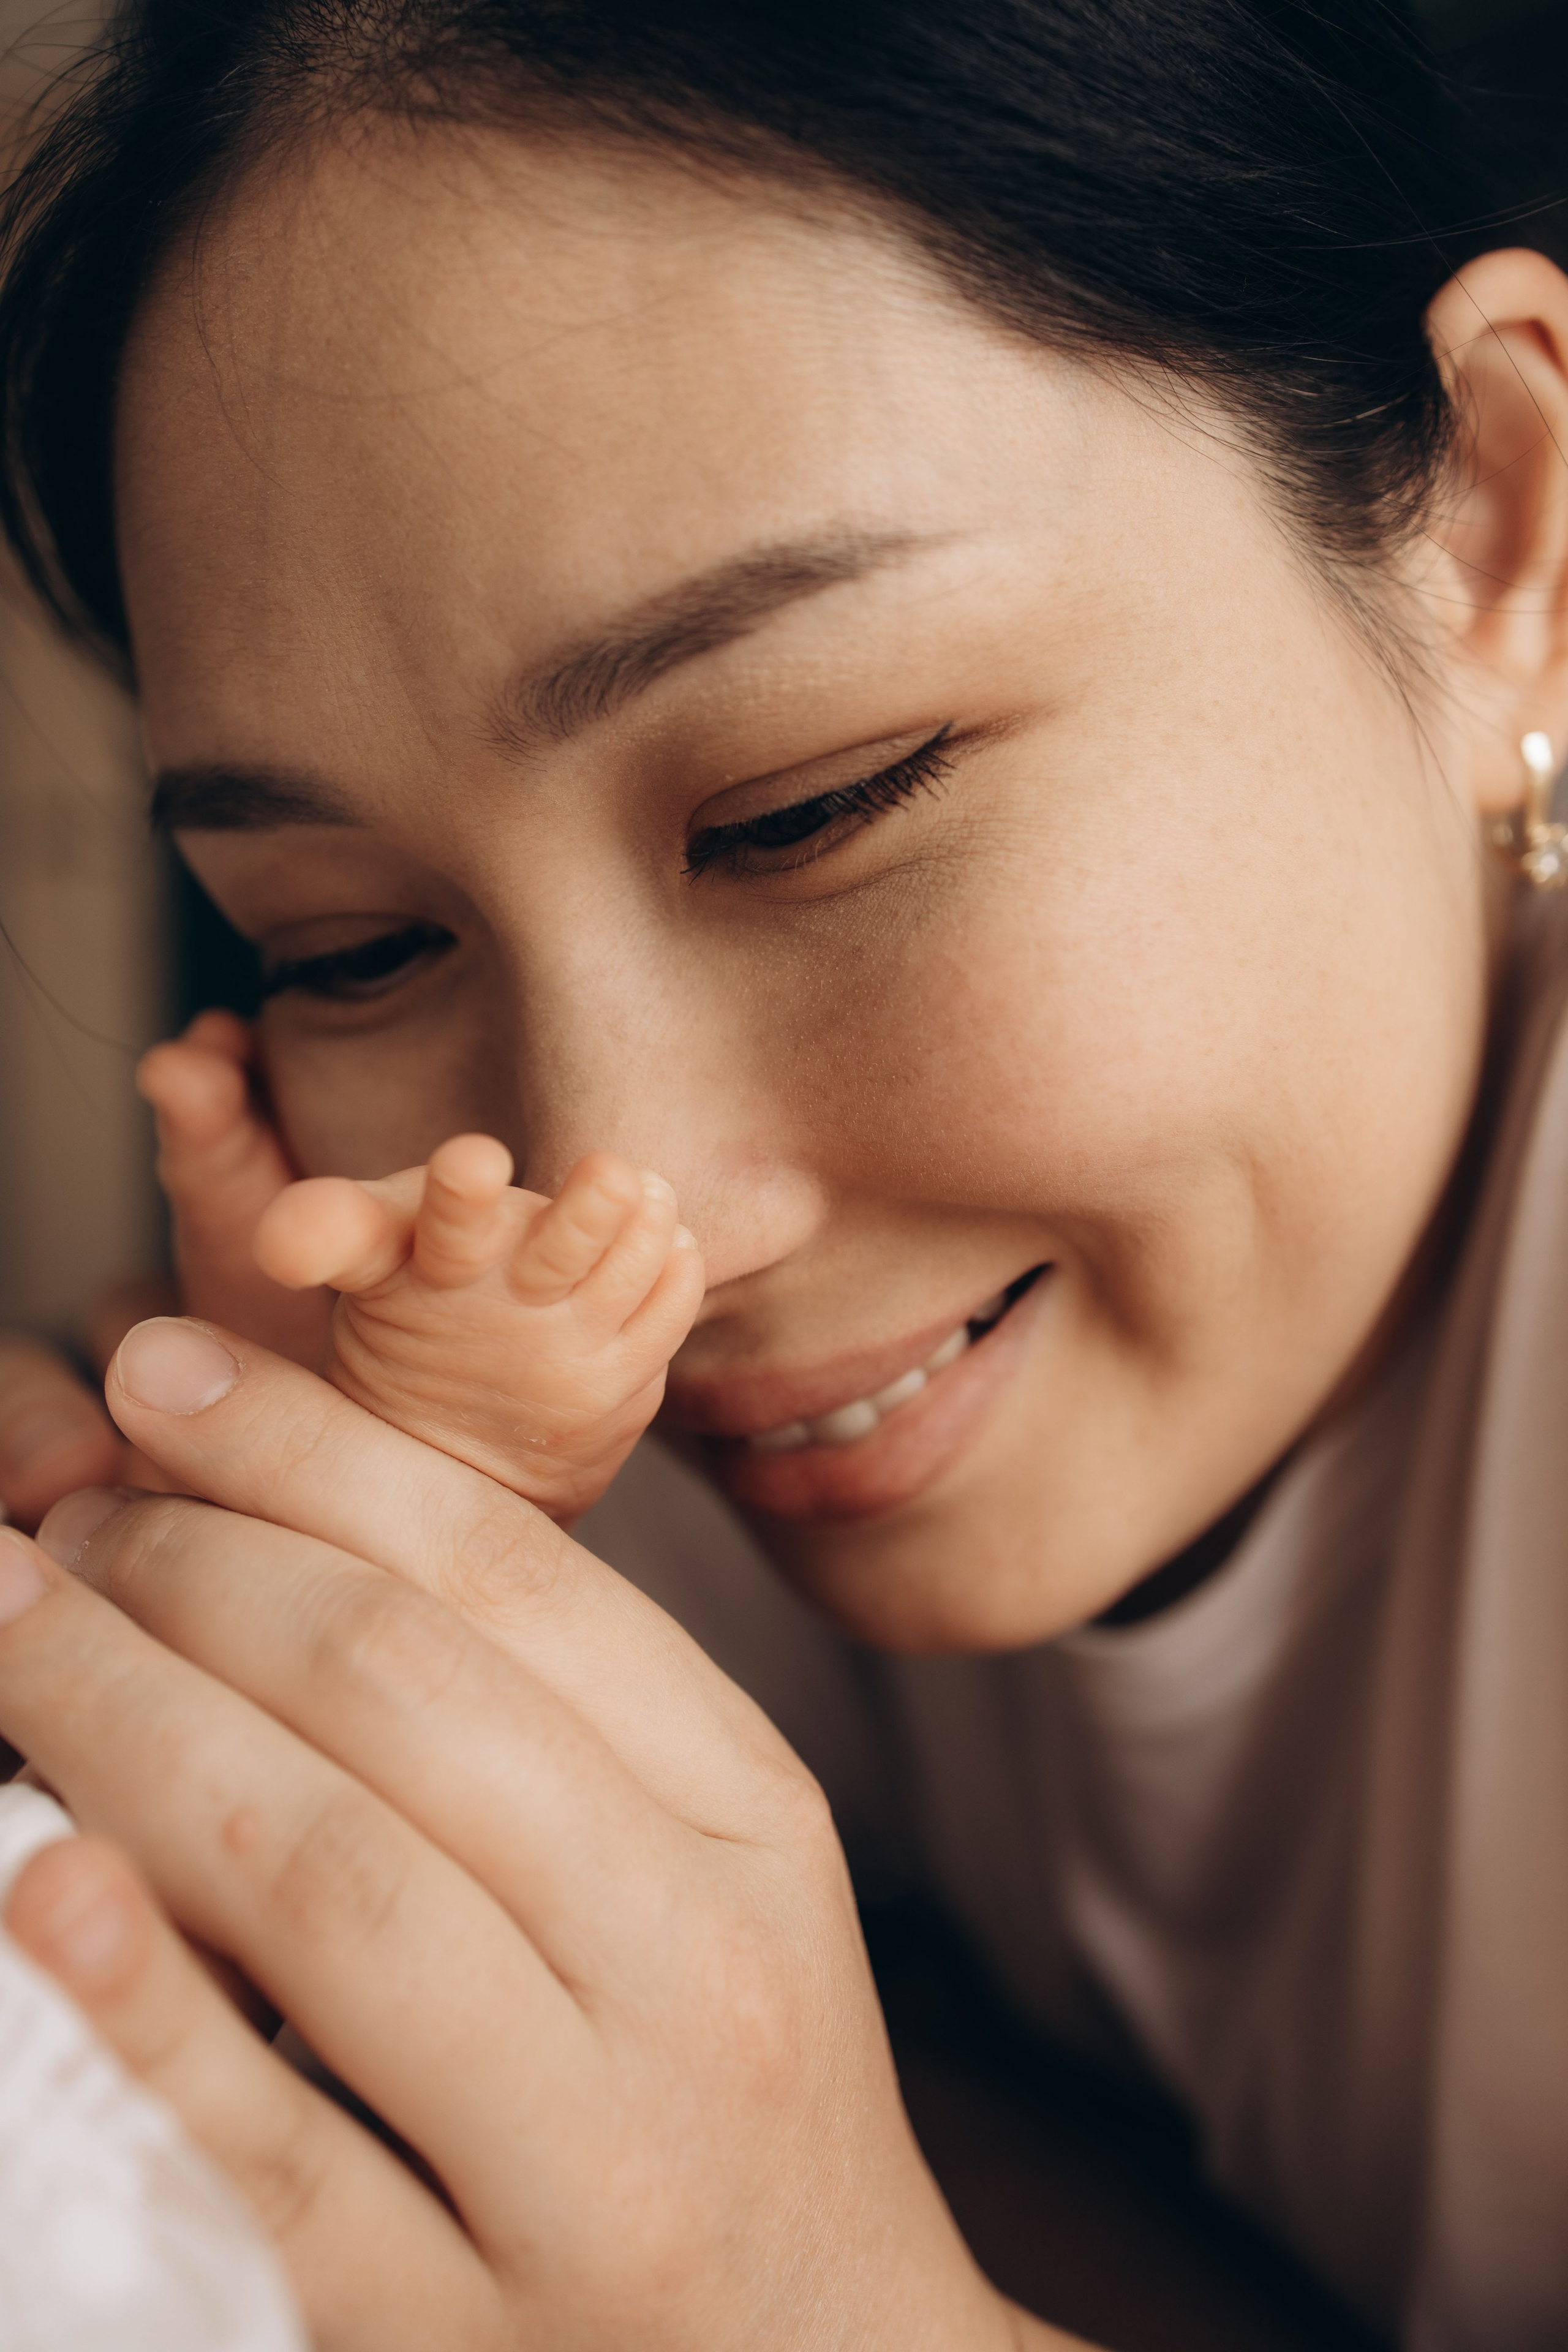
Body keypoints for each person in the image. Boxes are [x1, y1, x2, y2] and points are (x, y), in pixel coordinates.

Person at [0, 1, 1563, 2344]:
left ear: (1491, 521)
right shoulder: (500, 1309)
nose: (634, 1202)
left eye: (813, 806)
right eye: (354, 944)